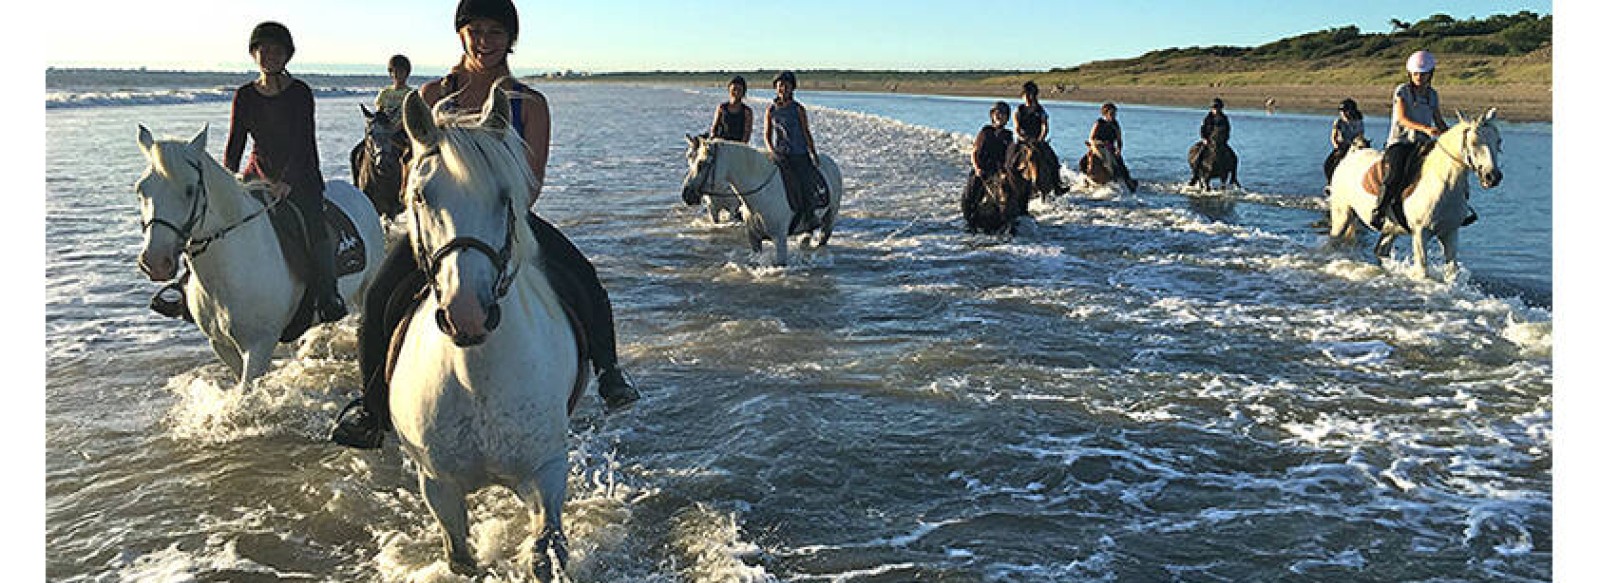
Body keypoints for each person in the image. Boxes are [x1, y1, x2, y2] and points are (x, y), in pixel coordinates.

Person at [331, 0, 640, 449]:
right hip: (440, 229)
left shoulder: (529, 103)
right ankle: (371, 408)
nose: (485, 41)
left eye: (496, 32)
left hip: (505, 223)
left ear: (510, 39)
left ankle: (609, 370)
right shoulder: (430, 97)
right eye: (476, 30)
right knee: (380, 294)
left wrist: (497, 218)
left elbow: (531, 179)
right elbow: (411, 170)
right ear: (462, 35)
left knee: (584, 280)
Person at [150, 22, 346, 324]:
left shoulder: (300, 93)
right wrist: (225, 179)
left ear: (287, 56)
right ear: (254, 55)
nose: (270, 56)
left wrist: (286, 182)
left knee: (313, 223)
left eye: (277, 51)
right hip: (256, 174)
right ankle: (187, 286)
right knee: (210, 220)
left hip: (300, 176)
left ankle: (328, 293)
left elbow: (302, 142)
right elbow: (236, 142)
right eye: (263, 50)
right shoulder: (244, 95)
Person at [1373, 50, 1448, 231]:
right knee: (1396, 173)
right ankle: (1379, 211)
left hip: (1422, 143)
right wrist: (1425, 128)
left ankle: (1453, 209)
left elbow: (1438, 120)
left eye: (1423, 74)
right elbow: (1402, 118)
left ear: (1431, 74)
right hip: (1400, 141)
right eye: (1416, 74)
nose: (1419, 78)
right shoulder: (1402, 91)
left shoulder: (1432, 95)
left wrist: (1454, 134)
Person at [764, 70, 829, 211]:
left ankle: (809, 213)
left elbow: (806, 132)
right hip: (781, 154)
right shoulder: (770, 110)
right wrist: (771, 151)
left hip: (798, 153)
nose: (783, 89)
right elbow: (767, 135)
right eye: (780, 85)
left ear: (793, 88)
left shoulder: (798, 109)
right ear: (776, 88)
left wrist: (813, 153)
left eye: (787, 85)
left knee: (805, 183)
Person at [1009, 80, 1065, 195]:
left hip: (1038, 140)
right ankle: (1010, 184)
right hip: (1023, 141)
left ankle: (1057, 185)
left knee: (1052, 159)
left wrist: (1041, 138)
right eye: (1026, 95)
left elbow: (1045, 126)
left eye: (1031, 95)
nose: (1028, 97)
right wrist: (1022, 137)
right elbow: (1017, 128)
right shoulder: (1018, 111)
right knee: (1012, 160)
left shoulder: (1041, 111)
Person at [1083, 102, 1137, 191]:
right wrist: (1100, 143)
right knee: (1084, 162)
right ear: (1105, 113)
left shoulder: (1115, 125)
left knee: (1120, 166)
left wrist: (1119, 150)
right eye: (1111, 113)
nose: (1113, 115)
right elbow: (1091, 138)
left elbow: (1119, 139)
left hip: (1111, 148)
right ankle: (1084, 178)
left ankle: (1128, 183)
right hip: (1098, 146)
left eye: (1114, 113)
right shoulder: (1099, 123)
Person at [1324, 98, 1365, 185]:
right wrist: (1336, 146)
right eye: (1341, 111)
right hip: (1342, 146)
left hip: (1356, 145)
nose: (1342, 113)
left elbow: (1361, 135)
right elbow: (1333, 137)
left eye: (1345, 111)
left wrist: (1358, 144)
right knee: (1328, 164)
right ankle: (1330, 183)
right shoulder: (1339, 122)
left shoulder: (1359, 121)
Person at [708, 75, 753, 143]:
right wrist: (713, 140)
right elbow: (714, 128)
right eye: (734, 89)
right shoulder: (722, 108)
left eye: (739, 90)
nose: (736, 92)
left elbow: (746, 134)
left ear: (743, 92)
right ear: (729, 89)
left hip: (738, 146)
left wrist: (739, 147)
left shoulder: (747, 111)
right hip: (721, 144)